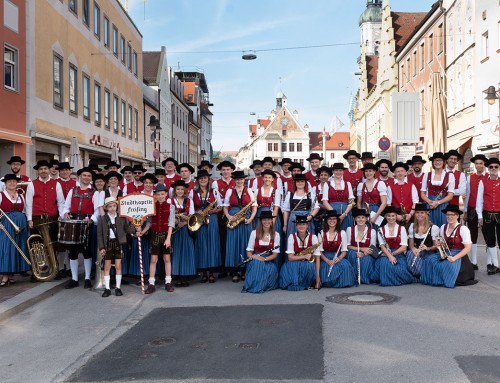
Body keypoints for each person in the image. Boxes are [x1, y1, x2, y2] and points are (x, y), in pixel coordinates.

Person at [25, 160, 65, 281]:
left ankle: (55, 270)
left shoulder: (56, 184)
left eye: (45, 169)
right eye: (41, 169)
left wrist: (61, 215)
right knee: (36, 245)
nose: (43, 171)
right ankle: (36, 271)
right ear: (38, 171)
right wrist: (29, 219)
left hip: (52, 219)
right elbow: (28, 204)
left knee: (52, 245)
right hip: (37, 219)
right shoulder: (32, 184)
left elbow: (61, 202)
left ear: (49, 170)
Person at [420, 204, 476, 287]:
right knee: (430, 259)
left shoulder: (463, 229)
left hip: (459, 255)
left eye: (452, 215)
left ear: (457, 216)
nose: (449, 217)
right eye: (448, 215)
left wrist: (454, 258)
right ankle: (434, 279)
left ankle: (446, 279)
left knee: (448, 264)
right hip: (446, 252)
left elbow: (467, 248)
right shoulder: (443, 227)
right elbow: (442, 244)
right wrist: (435, 246)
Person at [63, 167, 100, 289]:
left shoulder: (95, 192)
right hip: (73, 222)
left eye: (89, 176)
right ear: (79, 177)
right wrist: (65, 213)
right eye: (84, 175)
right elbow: (66, 206)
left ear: (91, 178)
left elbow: (97, 211)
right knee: (73, 252)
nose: (86, 178)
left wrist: (91, 220)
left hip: (86, 223)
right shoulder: (72, 191)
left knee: (86, 251)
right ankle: (74, 278)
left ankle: (87, 278)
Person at [97, 197, 136, 297]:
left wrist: (135, 225)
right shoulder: (102, 219)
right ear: (106, 208)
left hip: (118, 244)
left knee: (118, 266)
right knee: (107, 266)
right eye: (110, 206)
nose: (112, 208)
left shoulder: (122, 218)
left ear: (117, 206)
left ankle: (118, 287)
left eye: (114, 206)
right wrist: (101, 248)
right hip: (108, 245)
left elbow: (128, 230)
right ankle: (107, 288)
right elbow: (100, 235)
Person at [223, 170, 257, 282]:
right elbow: (225, 207)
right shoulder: (229, 191)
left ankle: (243, 270)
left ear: (244, 180)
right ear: (234, 180)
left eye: (241, 179)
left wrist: (250, 219)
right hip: (233, 219)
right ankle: (234, 271)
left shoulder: (248, 190)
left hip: (245, 219)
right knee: (233, 245)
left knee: (245, 244)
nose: (239, 181)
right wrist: (229, 217)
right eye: (237, 179)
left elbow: (254, 206)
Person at [144, 184, 175, 294]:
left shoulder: (171, 206)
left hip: (166, 235)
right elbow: (149, 222)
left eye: (162, 194)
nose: (160, 196)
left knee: (167, 259)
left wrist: (168, 238)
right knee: (153, 260)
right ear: (155, 195)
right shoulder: (152, 206)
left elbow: (171, 223)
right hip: (155, 235)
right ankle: (151, 283)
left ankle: (168, 282)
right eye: (158, 194)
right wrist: (141, 232)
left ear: (166, 194)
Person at [192, 170, 222, 283]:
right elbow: (190, 207)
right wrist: (197, 212)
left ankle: (211, 272)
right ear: (198, 180)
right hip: (199, 220)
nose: (203, 180)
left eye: (205, 178)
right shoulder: (193, 192)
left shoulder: (214, 192)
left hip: (212, 219)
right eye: (201, 178)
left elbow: (221, 206)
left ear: (208, 179)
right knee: (202, 244)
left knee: (212, 244)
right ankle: (203, 272)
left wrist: (215, 210)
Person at [0, 174, 30, 286]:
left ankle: (12, 275)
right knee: (6, 248)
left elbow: (25, 210)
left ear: (17, 183)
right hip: (6, 224)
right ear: (5, 183)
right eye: (9, 181)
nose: (12, 183)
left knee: (18, 248)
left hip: (20, 224)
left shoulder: (21, 195)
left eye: (14, 181)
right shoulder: (1, 195)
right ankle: (5, 275)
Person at [374, 206, 414, 286]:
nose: (391, 218)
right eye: (389, 216)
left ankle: (394, 278)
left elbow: (404, 247)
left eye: (393, 216)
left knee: (400, 269)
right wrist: (389, 256)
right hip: (386, 253)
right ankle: (388, 281)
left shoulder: (401, 228)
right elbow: (382, 246)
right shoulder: (380, 230)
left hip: (398, 253)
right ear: (386, 217)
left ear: (396, 216)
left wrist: (392, 255)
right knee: (384, 263)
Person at [242, 211, 280, 293]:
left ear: (271, 220)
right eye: (264, 220)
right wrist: (253, 257)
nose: (267, 222)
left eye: (269, 219)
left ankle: (257, 285)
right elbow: (249, 252)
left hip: (269, 261)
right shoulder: (254, 233)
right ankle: (255, 285)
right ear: (261, 221)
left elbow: (275, 255)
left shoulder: (276, 234)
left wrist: (264, 259)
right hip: (255, 259)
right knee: (257, 264)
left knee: (261, 266)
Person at [315, 210, 355, 289]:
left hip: (337, 256)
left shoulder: (342, 233)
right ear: (326, 221)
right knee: (324, 267)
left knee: (345, 265)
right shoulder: (321, 233)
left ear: (337, 220)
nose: (332, 221)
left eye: (334, 219)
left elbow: (344, 251)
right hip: (325, 257)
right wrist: (327, 260)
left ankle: (339, 282)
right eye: (330, 219)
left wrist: (339, 258)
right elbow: (319, 252)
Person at [280, 214, 319, 291]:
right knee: (291, 266)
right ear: (296, 226)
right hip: (294, 263)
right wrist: (304, 256)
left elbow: (317, 257)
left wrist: (317, 278)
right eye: (299, 224)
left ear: (307, 225)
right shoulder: (291, 236)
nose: (301, 226)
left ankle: (306, 282)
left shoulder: (313, 237)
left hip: (307, 264)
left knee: (310, 266)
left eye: (303, 224)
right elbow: (290, 257)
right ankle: (296, 283)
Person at [476, 157, 500, 275]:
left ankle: (498, 264)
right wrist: (479, 215)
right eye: (491, 167)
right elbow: (479, 200)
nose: (494, 169)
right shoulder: (483, 181)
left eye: (496, 167)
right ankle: (494, 265)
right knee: (490, 239)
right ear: (488, 168)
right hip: (486, 214)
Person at [463, 154, 487, 270]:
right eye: (477, 163)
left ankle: (490, 262)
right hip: (472, 208)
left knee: (487, 234)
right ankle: (473, 261)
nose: (478, 166)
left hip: (485, 209)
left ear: (484, 164)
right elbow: (468, 195)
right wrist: (466, 211)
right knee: (472, 234)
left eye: (481, 163)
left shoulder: (488, 177)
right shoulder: (470, 177)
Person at [171, 179, 196, 287]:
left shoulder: (189, 201)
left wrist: (184, 223)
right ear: (175, 190)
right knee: (176, 252)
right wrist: (175, 221)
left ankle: (185, 277)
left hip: (186, 229)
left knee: (186, 252)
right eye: (178, 189)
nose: (180, 191)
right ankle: (177, 277)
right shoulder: (170, 201)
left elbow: (192, 216)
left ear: (185, 190)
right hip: (175, 230)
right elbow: (168, 214)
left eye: (182, 189)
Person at [212, 160, 235, 278]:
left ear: (232, 170)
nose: (226, 172)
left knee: (233, 242)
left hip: (234, 215)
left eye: (228, 169)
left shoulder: (236, 181)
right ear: (220, 171)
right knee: (223, 241)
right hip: (221, 215)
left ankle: (233, 267)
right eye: (223, 170)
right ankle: (223, 268)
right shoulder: (216, 183)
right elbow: (218, 200)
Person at [420, 152, 455, 228]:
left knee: (443, 227)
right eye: (435, 160)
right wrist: (429, 202)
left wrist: (438, 202)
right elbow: (422, 193)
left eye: (440, 160)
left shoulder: (450, 175)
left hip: (443, 205)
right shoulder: (427, 175)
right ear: (433, 162)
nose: (438, 162)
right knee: (429, 228)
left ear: (444, 162)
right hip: (430, 205)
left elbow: (450, 196)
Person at [406, 203, 439, 279]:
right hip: (418, 252)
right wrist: (414, 249)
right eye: (417, 212)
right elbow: (411, 245)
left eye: (422, 212)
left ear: (426, 214)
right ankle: (422, 275)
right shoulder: (412, 226)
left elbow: (436, 246)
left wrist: (427, 248)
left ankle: (421, 275)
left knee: (424, 258)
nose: (419, 215)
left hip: (429, 253)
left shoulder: (433, 227)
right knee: (410, 253)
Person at [345, 208, 377, 284]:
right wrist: (361, 249)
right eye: (358, 217)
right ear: (355, 219)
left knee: (367, 259)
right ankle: (353, 277)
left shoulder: (372, 231)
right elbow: (347, 246)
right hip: (353, 251)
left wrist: (363, 253)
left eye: (363, 217)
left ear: (366, 219)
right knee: (353, 255)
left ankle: (364, 278)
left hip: (367, 252)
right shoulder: (349, 229)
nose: (360, 219)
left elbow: (372, 248)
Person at [282, 174, 319, 238]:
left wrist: (310, 216)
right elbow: (286, 211)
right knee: (293, 240)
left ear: (305, 183)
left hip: (306, 220)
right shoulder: (290, 195)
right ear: (295, 183)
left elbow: (316, 207)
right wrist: (285, 225)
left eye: (302, 181)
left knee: (307, 240)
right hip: (293, 221)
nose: (300, 183)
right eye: (298, 181)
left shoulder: (310, 194)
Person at [323, 163, 355, 231]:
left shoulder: (347, 184)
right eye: (336, 170)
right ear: (333, 171)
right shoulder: (327, 184)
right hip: (332, 214)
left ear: (343, 172)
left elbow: (351, 201)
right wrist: (335, 215)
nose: (338, 172)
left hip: (346, 214)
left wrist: (345, 213)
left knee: (346, 233)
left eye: (340, 170)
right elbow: (325, 202)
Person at [386, 162, 419, 226]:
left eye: (402, 171)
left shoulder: (412, 185)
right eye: (397, 171)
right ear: (394, 173)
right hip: (395, 217)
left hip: (410, 215)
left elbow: (415, 202)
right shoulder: (390, 186)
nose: (400, 173)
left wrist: (410, 214)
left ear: (405, 172)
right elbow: (388, 203)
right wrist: (396, 215)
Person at [356, 163, 387, 229]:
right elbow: (359, 202)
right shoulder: (361, 185)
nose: (368, 173)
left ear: (374, 172)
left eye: (370, 171)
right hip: (364, 212)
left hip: (376, 211)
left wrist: (375, 217)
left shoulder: (380, 184)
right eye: (366, 171)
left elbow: (384, 203)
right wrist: (362, 214)